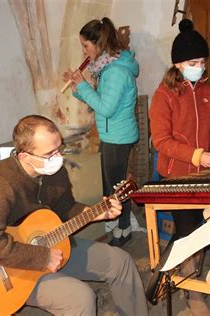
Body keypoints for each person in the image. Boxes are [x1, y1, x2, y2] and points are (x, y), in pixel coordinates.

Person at [0, 115, 148, 315]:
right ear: (25, 156)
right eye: (49, 153)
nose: (57, 157)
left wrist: (97, 213)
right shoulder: (2, 181)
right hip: (14, 268)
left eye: (59, 148)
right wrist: (42, 257)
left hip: (54, 245)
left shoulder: (56, 171)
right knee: (81, 299)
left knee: (121, 262)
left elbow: (66, 208)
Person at [149, 19, 210, 315]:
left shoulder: (208, 88)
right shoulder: (164, 95)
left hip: (206, 172)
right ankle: (192, 289)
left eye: (202, 61)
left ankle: (177, 261)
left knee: (208, 225)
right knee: (189, 230)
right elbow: (161, 142)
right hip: (175, 176)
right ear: (178, 64)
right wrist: (196, 155)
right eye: (194, 62)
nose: (200, 66)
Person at [62, 17, 139, 247]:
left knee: (117, 189)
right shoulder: (105, 67)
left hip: (119, 137)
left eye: (85, 45)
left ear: (98, 44)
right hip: (112, 134)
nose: (84, 51)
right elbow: (100, 100)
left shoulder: (115, 72)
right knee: (112, 186)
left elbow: (106, 107)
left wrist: (83, 85)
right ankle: (119, 226)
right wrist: (77, 87)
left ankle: (124, 230)